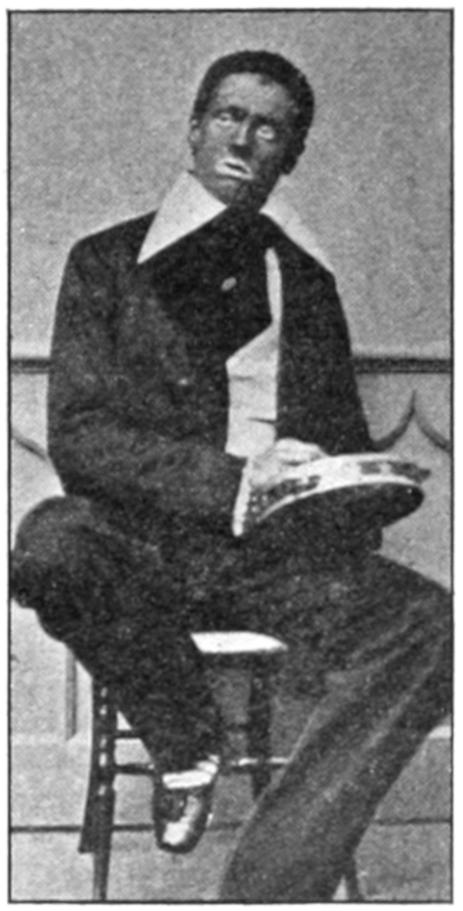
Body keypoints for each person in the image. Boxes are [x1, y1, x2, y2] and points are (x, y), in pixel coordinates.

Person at [11, 50, 451, 899]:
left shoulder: (307, 281)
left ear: (291, 156)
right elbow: (81, 436)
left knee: (430, 625)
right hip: (140, 549)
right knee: (50, 542)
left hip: (271, 561)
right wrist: (235, 482)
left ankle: (268, 886)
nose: (244, 140)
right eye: (228, 117)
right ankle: (184, 738)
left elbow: (337, 434)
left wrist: (342, 483)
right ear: (194, 130)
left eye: (269, 129)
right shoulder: (105, 262)